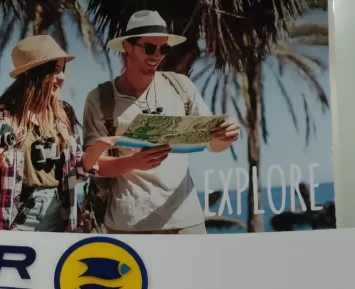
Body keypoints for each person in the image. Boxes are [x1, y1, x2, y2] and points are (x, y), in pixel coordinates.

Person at [82, 9, 241, 234]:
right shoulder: (100, 98)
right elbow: (92, 165)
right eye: (149, 47)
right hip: (130, 225)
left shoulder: (181, 86)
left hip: (187, 221)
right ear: (127, 46)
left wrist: (225, 137)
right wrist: (134, 162)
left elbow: (212, 144)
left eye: (164, 48)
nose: (157, 55)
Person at [0, 35, 118, 231]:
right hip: (11, 220)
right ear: (35, 74)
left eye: (62, 69)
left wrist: (96, 151)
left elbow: (76, 174)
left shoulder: (65, 114)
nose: (62, 77)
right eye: (55, 70)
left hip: (61, 218)